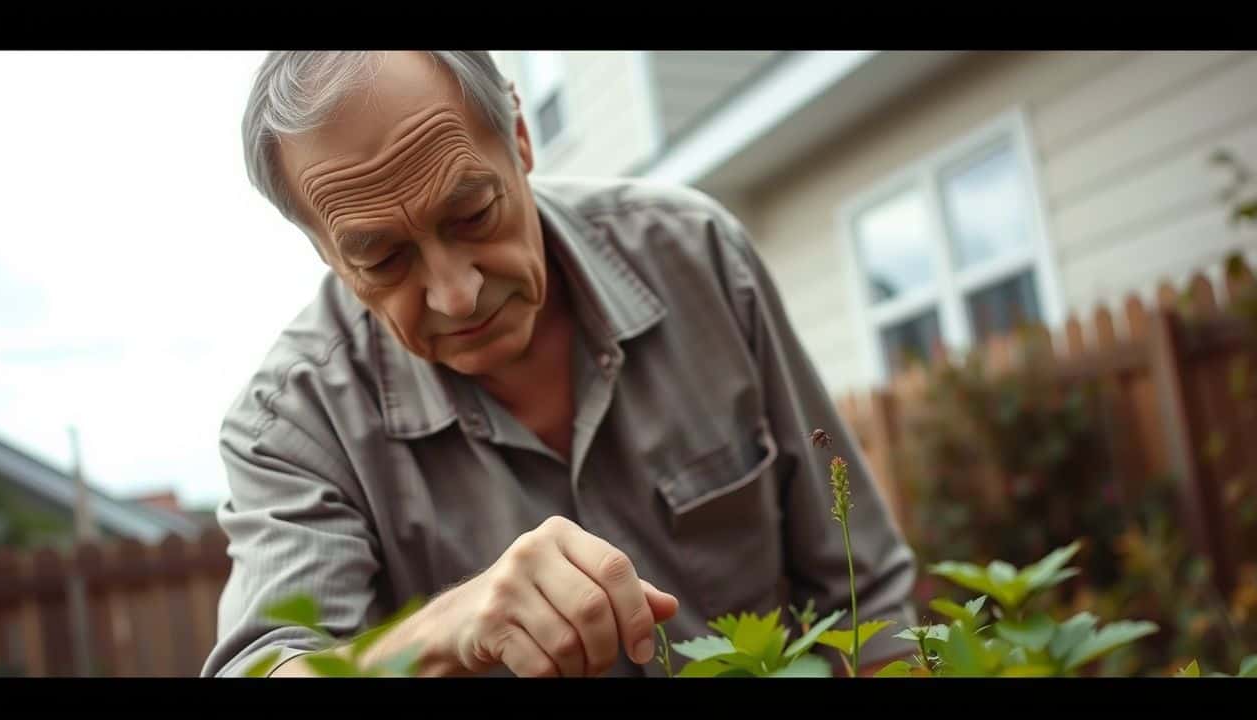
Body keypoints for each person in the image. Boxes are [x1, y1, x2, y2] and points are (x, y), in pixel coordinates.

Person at [202, 50, 917, 679]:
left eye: (474, 213)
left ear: (520, 135)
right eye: (384, 258)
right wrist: (444, 633)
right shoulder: (289, 426)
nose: (456, 293)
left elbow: (869, 601)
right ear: (326, 253)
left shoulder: (698, 257)